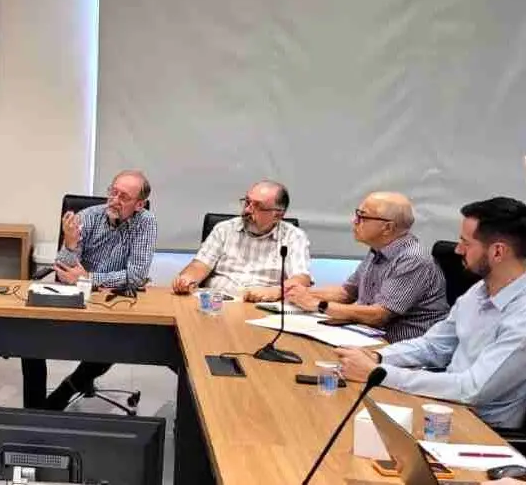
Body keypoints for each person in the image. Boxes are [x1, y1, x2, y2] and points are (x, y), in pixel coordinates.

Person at [336, 197, 526, 428]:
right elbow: (434, 346)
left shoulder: (521, 317)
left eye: (465, 243)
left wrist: (380, 373)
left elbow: (472, 389)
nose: (457, 249)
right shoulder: (479, 291)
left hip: (483, 429)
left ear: (497, 252)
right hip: (443, 407)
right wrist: (377, 357)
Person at [30, 170, 158, 410]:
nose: (114, 200)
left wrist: (88, 278)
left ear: (139, 204)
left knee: (115, 338)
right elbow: (62, 269)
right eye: (113, 192)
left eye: (124, 197)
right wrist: (70, 243)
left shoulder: (146, 223)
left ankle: (66, 390)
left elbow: (136, 276)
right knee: (30, 338)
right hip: (77, 299)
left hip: (114, 303)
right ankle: (34, 411)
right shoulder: (87, 217)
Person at [285, 192, 448, 342]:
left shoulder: (413, 259)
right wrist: (297, 293)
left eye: (362, 216)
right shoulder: (378, 249)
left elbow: (379, 315)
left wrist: (318, 305)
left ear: (388, 227)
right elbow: (346, 293)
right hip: (369, 335)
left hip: (399, 346)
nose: (355, 221)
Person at [171, 180, 311, 299]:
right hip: (218, 303)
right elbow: (200, 265)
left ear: (277, 215)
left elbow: (301, 279)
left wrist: (276, 292)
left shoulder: (294, 237)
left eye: (257, 206)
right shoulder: (224, 229)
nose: (247, 210)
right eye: (247, 202)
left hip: (262, 307)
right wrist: (187, 279)